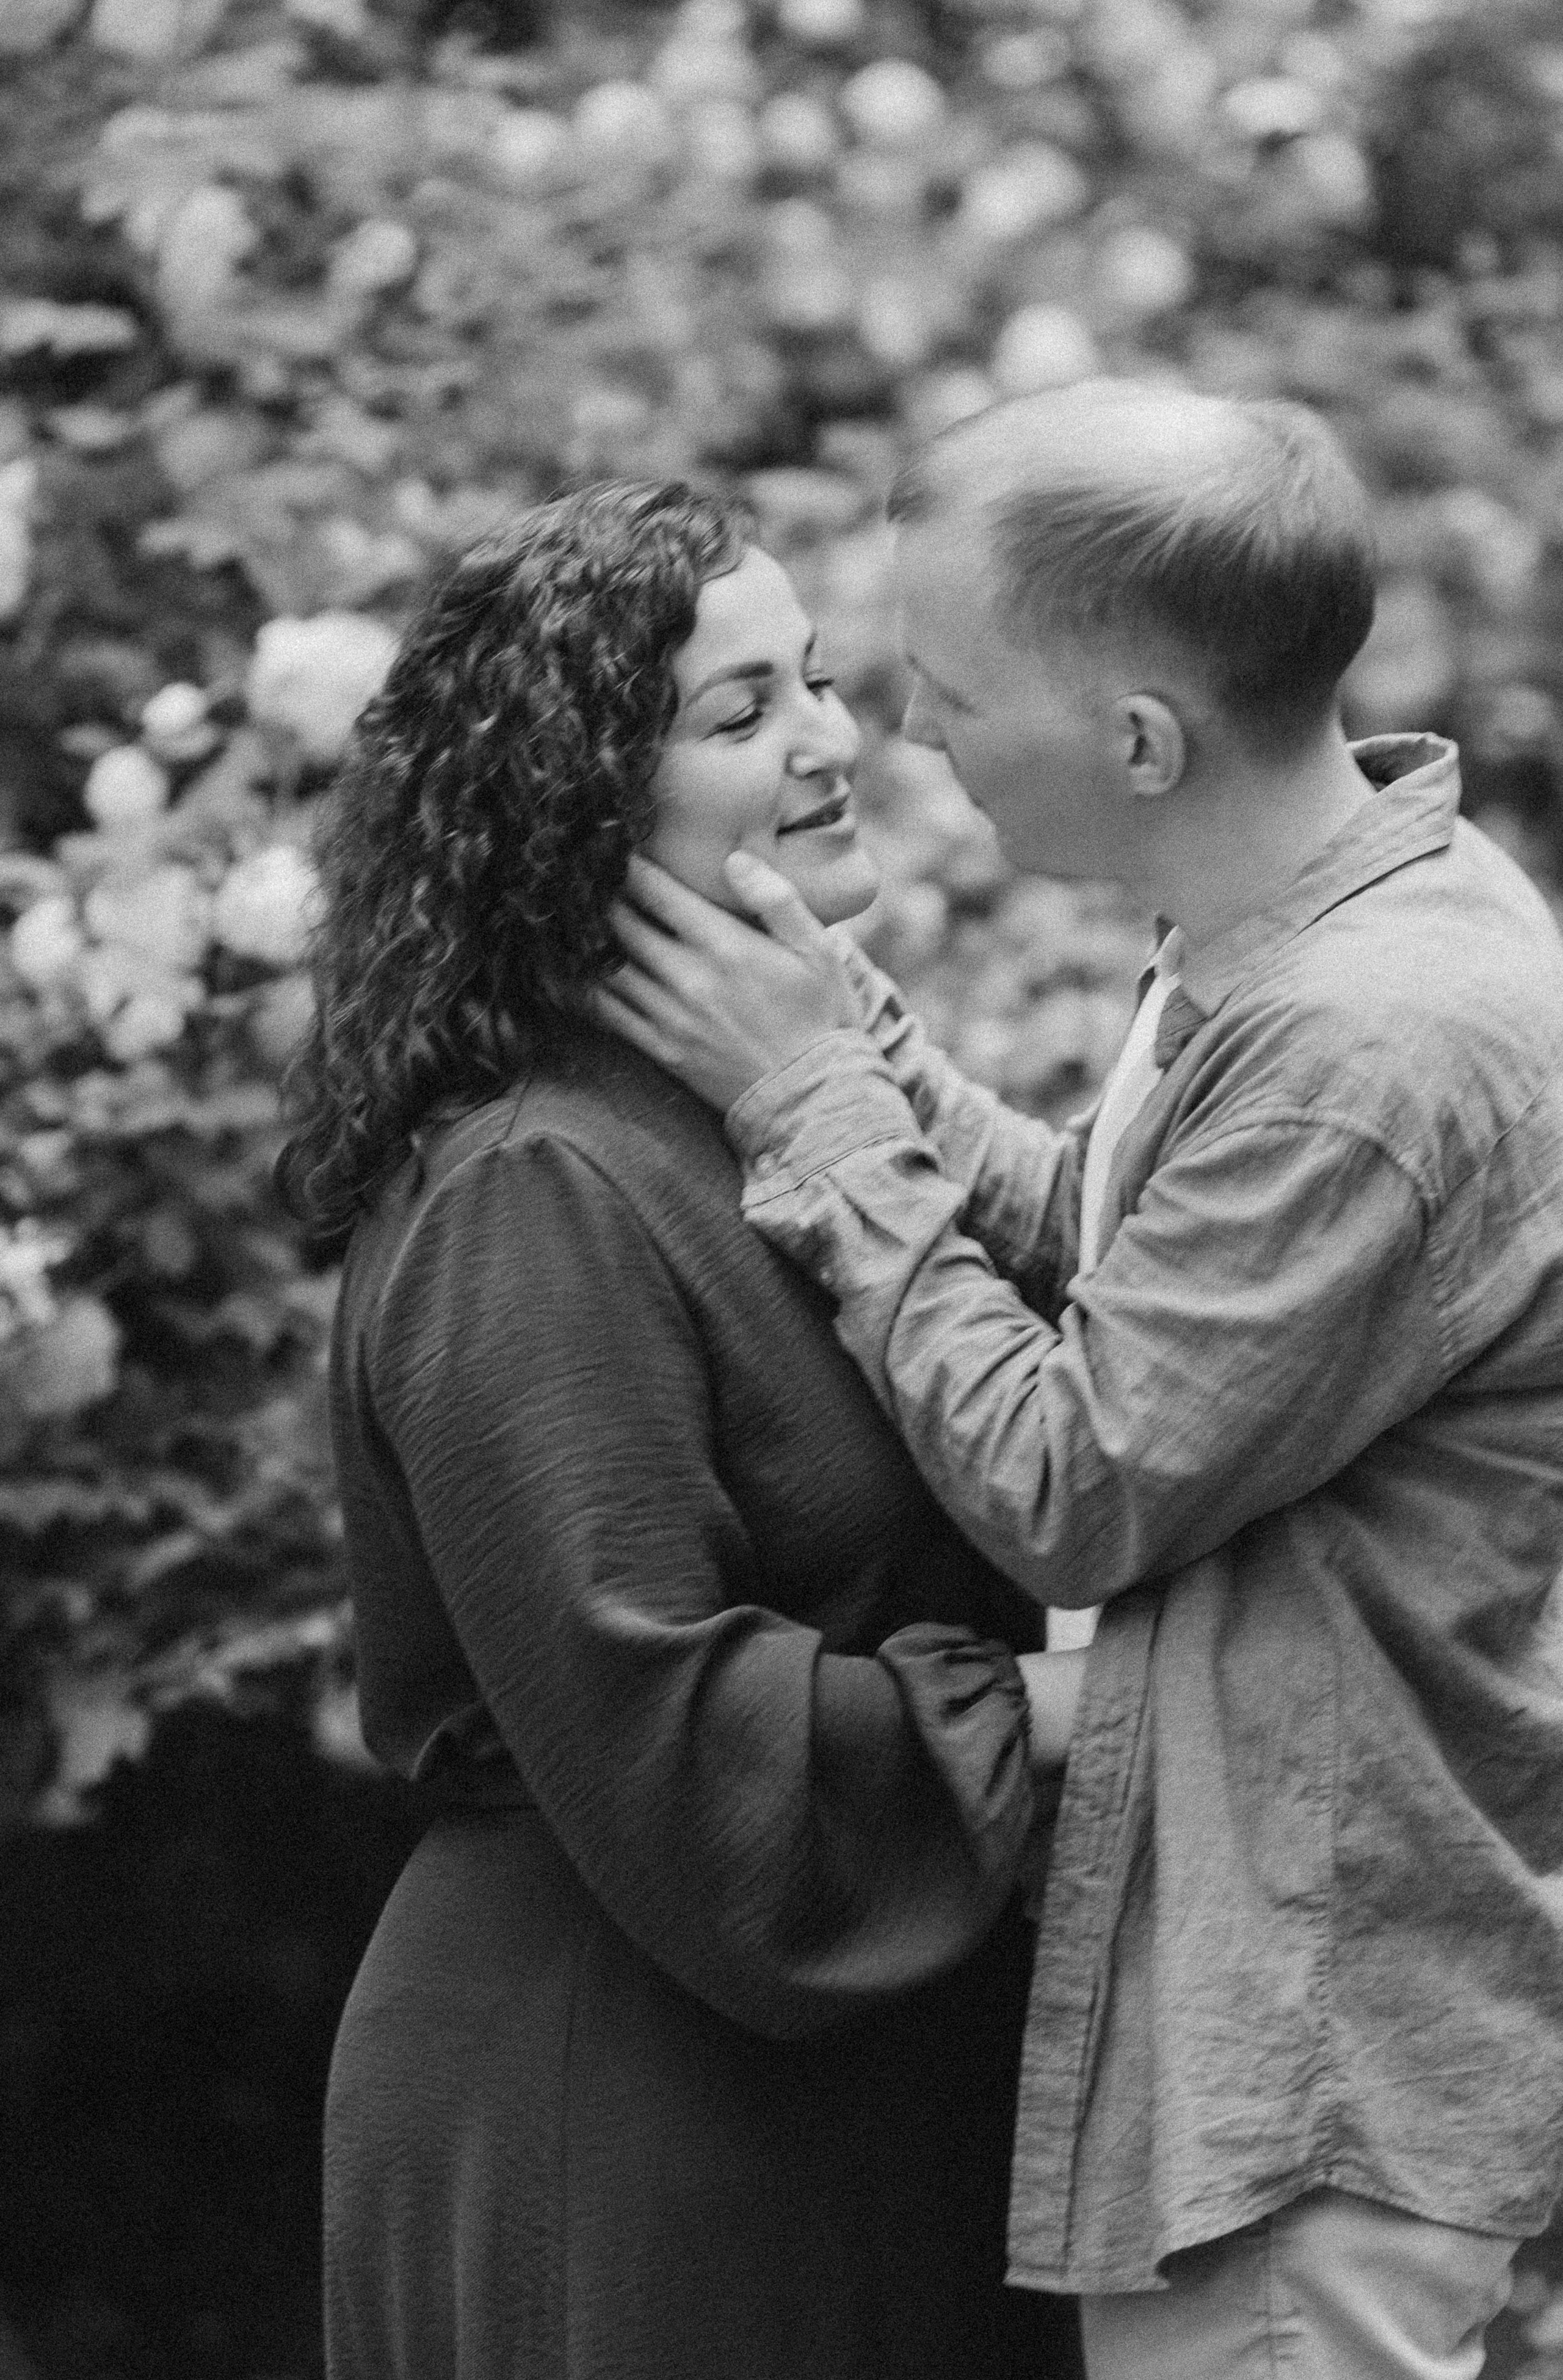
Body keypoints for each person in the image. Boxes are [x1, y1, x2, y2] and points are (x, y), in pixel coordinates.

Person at [595, 382, 1563, 2380]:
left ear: (1136, 738)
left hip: (1311, 2058)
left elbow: (1072, 1472)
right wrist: (836, 1025)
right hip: (1317, 2032)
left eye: (944, 686)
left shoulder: (1365, 1048)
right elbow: (1158, 1292)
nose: (896, 732)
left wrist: (805, 1105)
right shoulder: (1323, 929)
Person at [277, 479, 1089, 2380]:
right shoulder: (535, 1189)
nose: (832, 741)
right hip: (632, 2094)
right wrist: (1079, 1706)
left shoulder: (759, 1126)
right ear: (575, 806)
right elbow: (669, 1722)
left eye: (812, 681)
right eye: (739, 715)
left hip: (842, 2091)